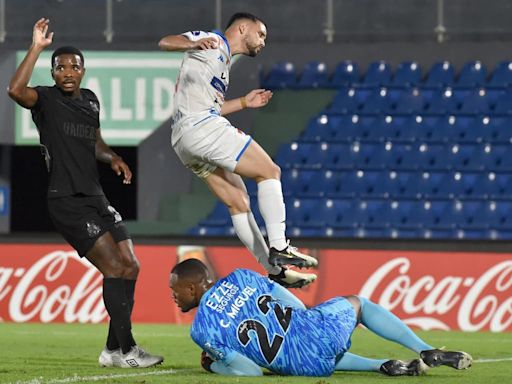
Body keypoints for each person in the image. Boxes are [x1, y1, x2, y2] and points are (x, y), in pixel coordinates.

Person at [7, 18, 163, 368]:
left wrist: (114, 158)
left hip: (95, 197)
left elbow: (94, 142)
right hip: (67, 200)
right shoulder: (44, 99)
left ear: (83, 71)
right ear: (53, 71)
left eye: (73, 66)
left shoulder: (90, 101)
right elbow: (15, 91)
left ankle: (111, 351)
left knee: (131, 266)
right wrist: (35, 48)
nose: (67, 72)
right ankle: (127, 351)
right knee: (113, 267)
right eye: (60, 67)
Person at [158, 13, 317, 289]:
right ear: (243, 28)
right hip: (201, 127)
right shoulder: (214, 41)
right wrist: (192, 44)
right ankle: (279, 246)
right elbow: (165, 42)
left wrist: (244, 102)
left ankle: (274, 270)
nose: (263, 41)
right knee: (269, 171)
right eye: (261, 34)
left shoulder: (222, 61)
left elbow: (211, 107)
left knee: (238, 201)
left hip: (184, 140)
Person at [169, 259, 473, 377]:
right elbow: (290, 302)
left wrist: (214, 366)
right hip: (313, 334)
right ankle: (424, 349)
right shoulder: (242, 276)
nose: (174, 296)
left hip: (300, 366)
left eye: (176, 290)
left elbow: (249, 372)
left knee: (310, 352)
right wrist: (303, 327)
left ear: (193, 287)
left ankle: (381, 366)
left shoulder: (201, 330)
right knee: (359, 303)